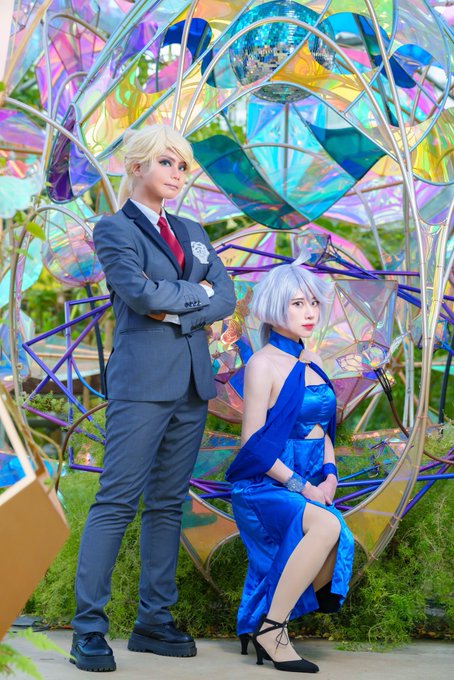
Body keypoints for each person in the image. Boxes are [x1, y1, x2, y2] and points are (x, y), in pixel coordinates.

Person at [70, 125, 236, 672]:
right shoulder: (114, 228)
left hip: (191, 384)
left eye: (183, 165)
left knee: (167, 504)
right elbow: (141, 296)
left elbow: (227, 296)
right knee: (117, 502)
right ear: (137, 166)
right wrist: (196, 295)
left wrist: (177, 306)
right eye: (167, 162)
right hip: (141, 385)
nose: (177, 173)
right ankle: (88, 629)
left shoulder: (192, 230)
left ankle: (153, 622)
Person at [225, 262, 354, 673]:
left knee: (339, 542)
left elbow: (324, 428)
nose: (310, 312)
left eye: (313, 302)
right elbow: (252, 445)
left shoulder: (312, 358)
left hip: (312, 477)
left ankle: (259, 620)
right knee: (327, 526)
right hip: (264, 484)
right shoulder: (263, 364)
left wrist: (330, 476)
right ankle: (273, 630)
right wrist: (303, 486)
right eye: (297, 303)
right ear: (274, 307)